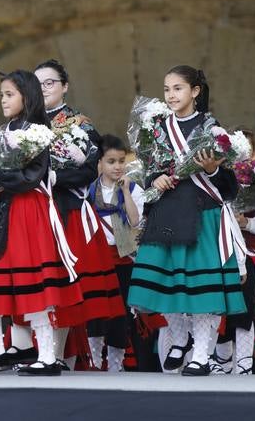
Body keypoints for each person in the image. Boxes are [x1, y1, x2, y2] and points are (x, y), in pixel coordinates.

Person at [0, 69, 83, 376]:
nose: (3, 100)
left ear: (26, 97)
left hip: (28, 211)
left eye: (9, 94)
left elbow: (33, 177)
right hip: (5, 213)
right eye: (2, 94)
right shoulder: (4, 131)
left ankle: (47, 355)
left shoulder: (38, 130)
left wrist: (0, 181)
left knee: (33, 284)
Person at [127, 65, 247, 377]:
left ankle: (203, 354)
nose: (170, 95)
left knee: (201, 289)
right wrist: (156, 180)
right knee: (164, 284)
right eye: (167, 89)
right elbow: (149, 167)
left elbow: (229, 185)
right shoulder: (155, 126)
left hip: (201, 213)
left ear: (195, 91)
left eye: (178, 88)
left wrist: (210, 170)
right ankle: (180, 340)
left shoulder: (210, 127)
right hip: (167, 213)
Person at [33, 60, 125, 370]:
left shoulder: (79, 124)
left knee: (61, 287)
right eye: (38, 83)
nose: (43, 89)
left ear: (64, 86)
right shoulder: (24, 121)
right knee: (33, 287)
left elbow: (88, 169)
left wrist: (55, 179)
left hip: (66, 212)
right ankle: (34, 353)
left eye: (50, 83)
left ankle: (57, 355)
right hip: (33, 215)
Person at [212, 129, 255, 376]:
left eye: (246, 150)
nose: (241, 156)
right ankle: (222, 361)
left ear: (254, 153)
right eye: (236, 150)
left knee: (244, 311)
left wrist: (245, 223)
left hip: (247, 255)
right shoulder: (217, 178)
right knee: (219, 309)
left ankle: (244, 364)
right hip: (220, 254)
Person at [87, 134, 145, 372]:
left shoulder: (133, 188)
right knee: (95, 312)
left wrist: (127, 193)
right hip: (96, 261)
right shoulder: (88, 191)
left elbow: (134, 220)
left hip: (123, 260)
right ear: (100, 162)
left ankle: (115, 365)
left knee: (120, 315)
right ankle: (93, 360)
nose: (117, 166)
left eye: (121, 161)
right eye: (111, 161)